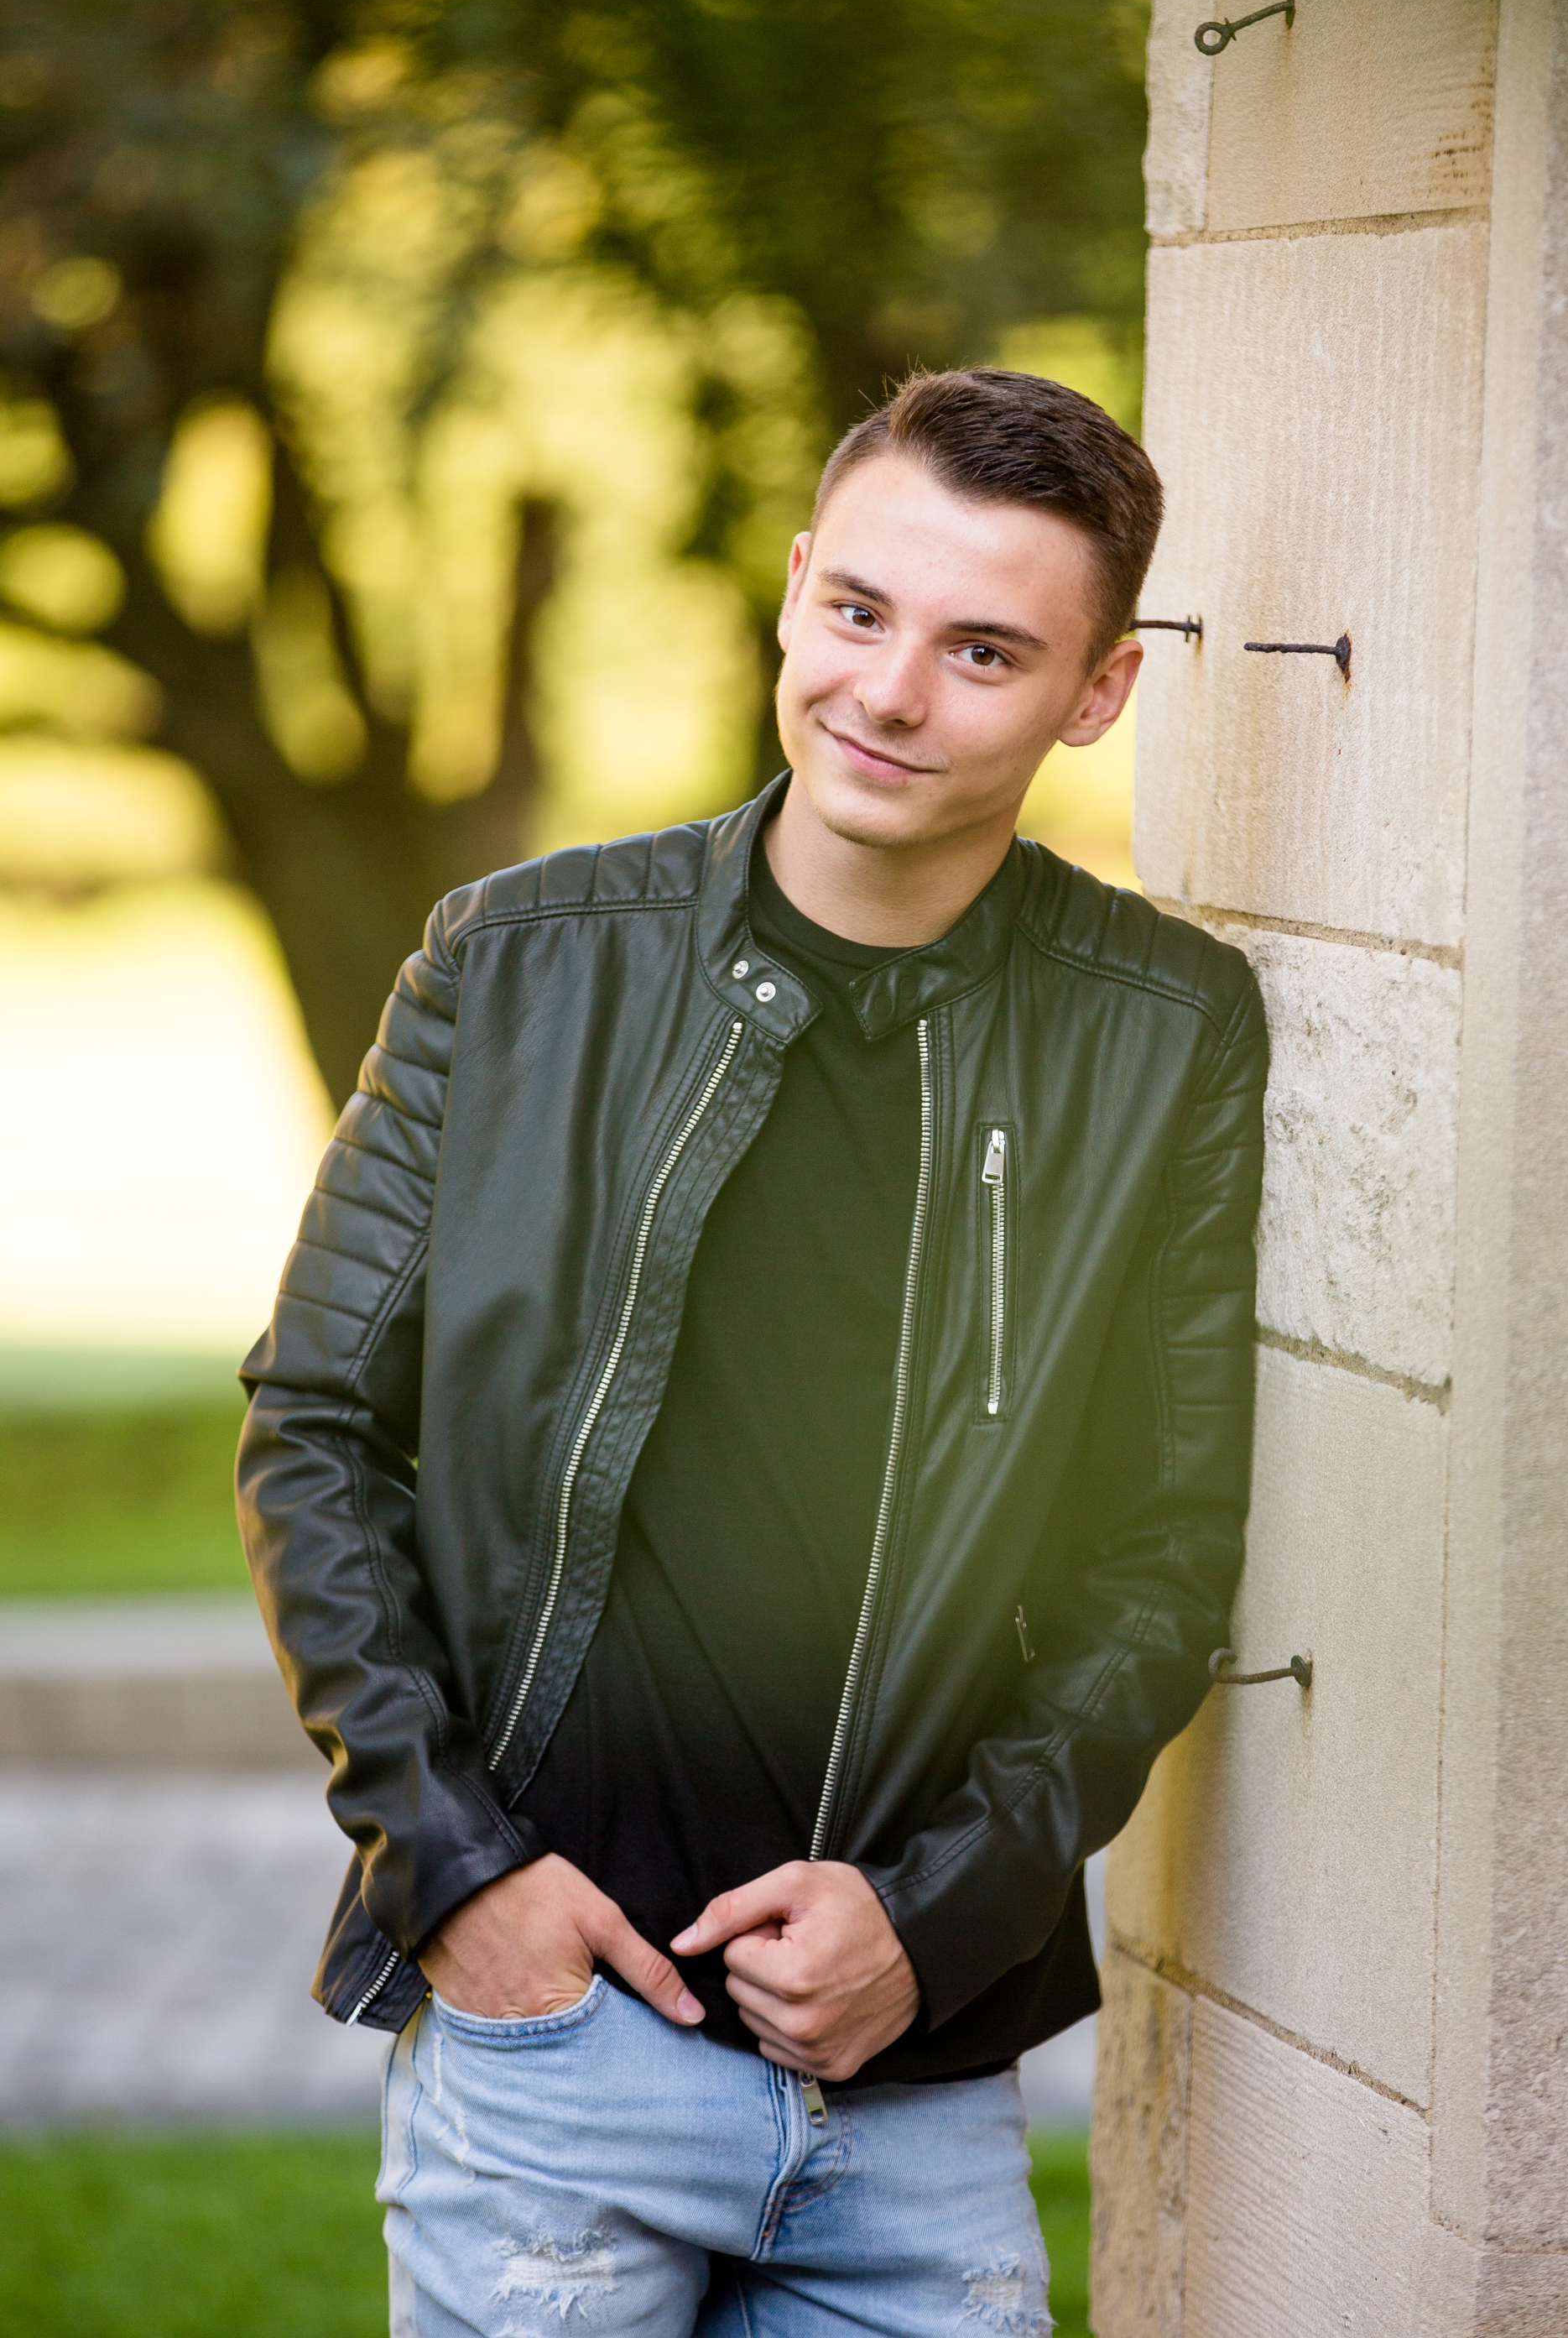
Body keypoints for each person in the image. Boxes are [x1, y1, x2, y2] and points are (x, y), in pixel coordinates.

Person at [237, 366, 1267, 2338]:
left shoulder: (1165, 1031)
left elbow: (1159, 1555)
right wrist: (454, 1869)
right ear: (797, 588)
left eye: (985, 651)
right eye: (862, 613)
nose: (889, 694)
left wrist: (938, 1921)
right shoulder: (517, 960)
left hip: (918, 2079)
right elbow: (313, 1428)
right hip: (557, 2044)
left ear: (1097, 692)